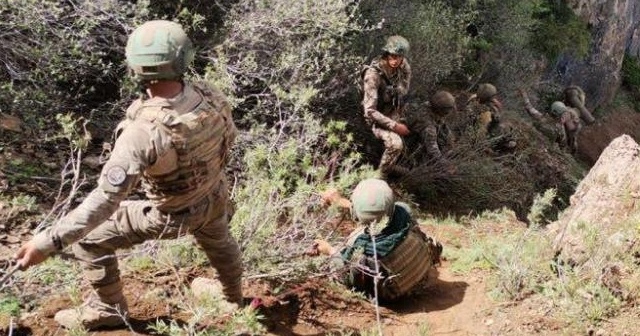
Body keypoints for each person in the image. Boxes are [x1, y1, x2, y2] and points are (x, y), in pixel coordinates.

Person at [13, 20, 243, 330]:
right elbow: (228, 140)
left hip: (174, 214)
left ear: (136, 67)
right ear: (183, 58)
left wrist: (48, 242)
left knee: (91, 241)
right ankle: (232, 298)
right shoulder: (209, 96)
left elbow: (105, 201)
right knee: (220, 242)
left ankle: (108, 309)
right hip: (215, 195)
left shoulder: (142, 132)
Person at [311, 178, 442, 302]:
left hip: (394, 295)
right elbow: (379, 215)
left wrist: (330, 250)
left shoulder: (362, 249)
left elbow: (344, 274)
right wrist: (342, 202)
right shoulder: (403, 214)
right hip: (419, 273)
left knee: (350, 245)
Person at [361, 35, 412, 177]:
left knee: (417, 126)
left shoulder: (403, 65)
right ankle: (380, 176)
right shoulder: (373, 75)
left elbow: (405, 88)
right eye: (391, 56)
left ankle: (398, 165)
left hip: (392, 111)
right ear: (386, 53)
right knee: (396, 144)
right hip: (375, 119)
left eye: (398, 57)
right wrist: (395, 126)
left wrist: (397, 91)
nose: (394, 60)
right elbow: (370, 111)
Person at [520, 89, 582, 154]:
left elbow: (529, 108)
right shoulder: (560, 129)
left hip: (530, 143)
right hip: (540, 151)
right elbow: (563, 146)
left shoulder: (542, 118)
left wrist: (525, 96)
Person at [407, 90, 456, 162]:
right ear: (442, 111)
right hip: (411, 143)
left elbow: (443, 125)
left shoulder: (429, 106)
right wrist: (445, 165)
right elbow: (433, 150)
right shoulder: (428, 125)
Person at [466, 83, 516, 152]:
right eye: (493, 96)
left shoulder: (473, 98)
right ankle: (503, 145)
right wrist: (486, 148)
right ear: (490, 98)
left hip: (471, 125)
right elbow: (481, 132)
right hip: (479, 133)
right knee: (505, 127)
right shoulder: (486, 114)